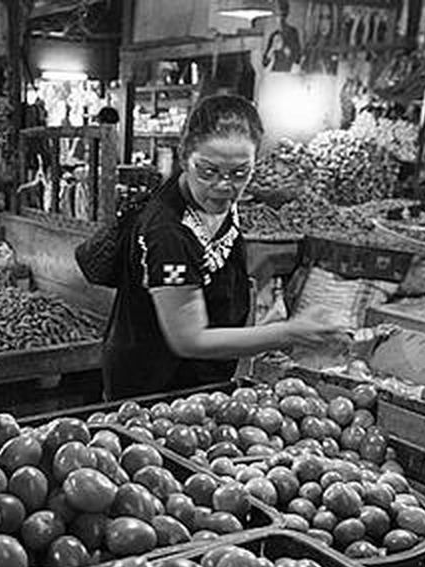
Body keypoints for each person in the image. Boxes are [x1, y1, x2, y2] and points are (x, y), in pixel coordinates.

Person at [101, 94, 345, 400]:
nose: (223, 186)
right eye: (208, 171)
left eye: (240, 173)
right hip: (153, 389)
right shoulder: (167, 233)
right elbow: (189, 339)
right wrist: (287, 332)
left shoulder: (218, 200)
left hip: (201, 380)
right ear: (183, 158)